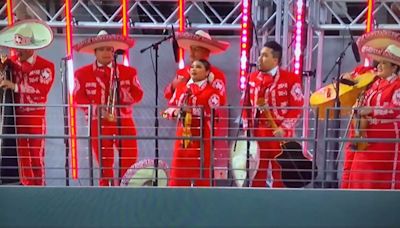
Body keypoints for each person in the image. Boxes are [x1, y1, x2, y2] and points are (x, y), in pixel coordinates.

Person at [73, 30, 143, 186]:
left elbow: (139, 94)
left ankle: (127, 192)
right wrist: (97, 109)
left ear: (114, 52)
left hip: (124, 121)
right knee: (105, 166)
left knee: (129, 161)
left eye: (109, 49)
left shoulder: (128, 72)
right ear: (95, 52)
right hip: (98, 122)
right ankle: (106, 196)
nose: (106, 53)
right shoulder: (82, 74)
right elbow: (77, 98)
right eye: (102, 49)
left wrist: (124, 97)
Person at [164, 30, 230, 180]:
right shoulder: (182, 73)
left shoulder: (217, 76)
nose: (191, 52)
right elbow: (168, 97)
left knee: (201, 169)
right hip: (182, 130)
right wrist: (174, 87)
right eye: (191, 48)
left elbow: (220, 102)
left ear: (207, 52)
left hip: (203, 129)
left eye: (197, 48)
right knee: (178, 170)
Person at [341, 30, 400, 189]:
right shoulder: (374, 83)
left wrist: (372, 110)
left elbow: (396, 109)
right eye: (379, 62)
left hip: (385, 143)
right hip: (365, 139)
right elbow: (358, 75)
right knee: (358, 177)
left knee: (378, 181)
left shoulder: (397, 85)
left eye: (384, 63)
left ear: (394, 67)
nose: (379, 66)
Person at [0, 19, 55, 186]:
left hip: (36, 117)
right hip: (18, 118)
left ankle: (39, 189)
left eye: (22, 48)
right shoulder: (12, 63)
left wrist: (15, 86)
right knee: (23, 157)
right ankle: (26, 188)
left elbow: (41, 90)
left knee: (36, 156)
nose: (18, 51)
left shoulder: (47, 66)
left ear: (32, 48)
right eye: (17, 48)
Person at [243, 41, 304, 188]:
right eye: (260, 55)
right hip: (258, 133)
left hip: (280, 135)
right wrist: (247, 129)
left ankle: (280, 207)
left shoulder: (291, 78)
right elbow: (245, 106)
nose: (259, 59)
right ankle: (257, 207)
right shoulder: (251, 78)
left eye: (264, 56)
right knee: (257, 174)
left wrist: (284, 128)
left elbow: (297, 107)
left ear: (275, 60)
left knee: (281, 174)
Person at [163, 59, 224, 186]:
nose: (193, 69)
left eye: (198, 67)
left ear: (207, 72)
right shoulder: (181, 88)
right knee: (178, 174)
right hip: (182, 138)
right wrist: (175, 113)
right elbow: (165, 112)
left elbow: (215, 115)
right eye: (192, 67)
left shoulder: (212, 92)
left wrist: (193, 112)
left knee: (202, 173)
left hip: (201, 136)